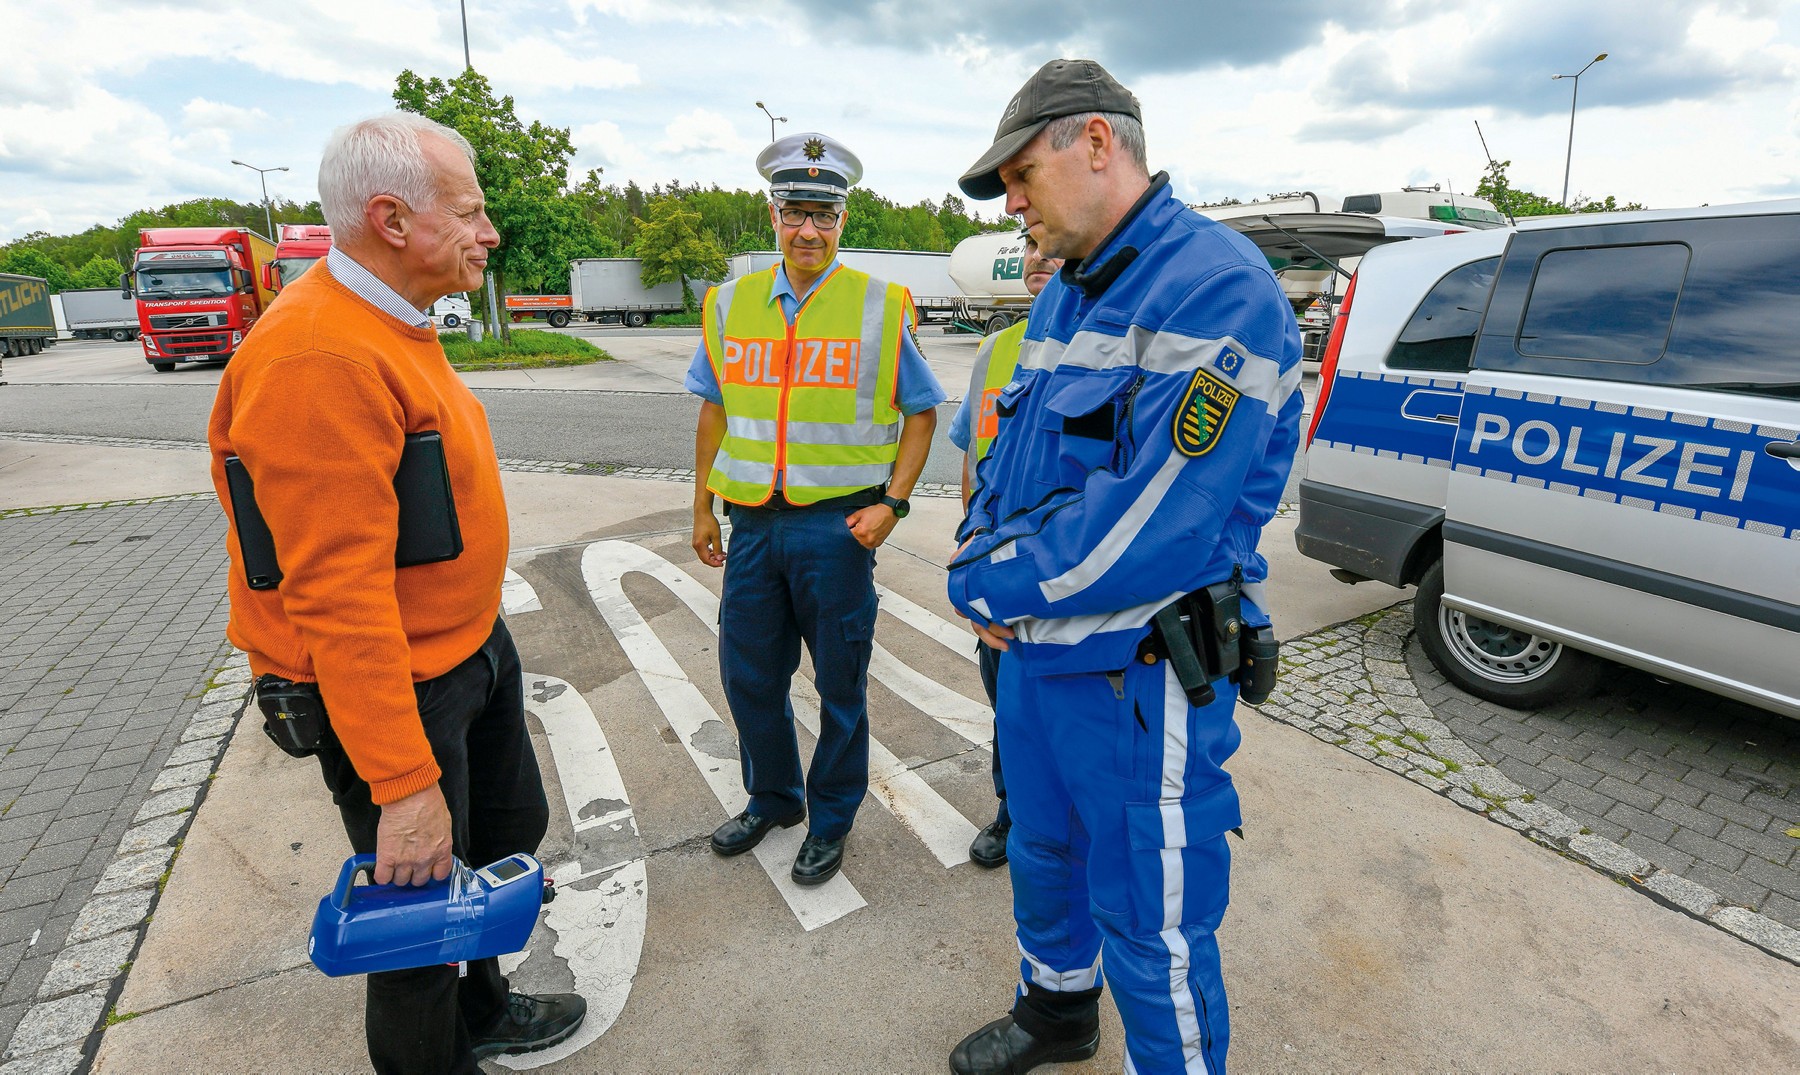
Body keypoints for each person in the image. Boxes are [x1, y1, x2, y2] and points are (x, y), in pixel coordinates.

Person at [945, 60, 1303, 1074]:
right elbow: (1009, 464)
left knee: (1151, 918)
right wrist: (978, 547)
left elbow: (1156, 526)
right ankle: (1058, 1013)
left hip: (1137, 675)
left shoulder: (1216, 288)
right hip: (1038, 659)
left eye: (1020, 174)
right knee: (1043, 853)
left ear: (1096, 143)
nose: (1011, 204)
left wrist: (984, 581)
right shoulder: (1069, 291)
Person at [207, 112, 584, 1074]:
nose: (488, 233)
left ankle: (484, 1012)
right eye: (470, 212)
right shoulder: (318, 357)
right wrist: (404, 787)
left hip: (462, 651)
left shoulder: (386, 321)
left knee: (498, 842)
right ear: (392, 219)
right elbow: (338, 596)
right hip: (398, 688)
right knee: (418, 921)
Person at [687, 132, 944, 887]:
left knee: (840, 686)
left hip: (837, 529)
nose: (809, 231)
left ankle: (830, 819)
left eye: (823, 216)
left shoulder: (878, 305)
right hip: (752, 526)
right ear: (773, 215)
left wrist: (893, 504)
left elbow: (922, 411)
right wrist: (700, 506)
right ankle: (774, 798)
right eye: (795, 213)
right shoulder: (730, 304)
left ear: (842, 221)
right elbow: (713, 409)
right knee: (749, 677)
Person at [946, 230, 1063, 869]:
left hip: (1071, 570)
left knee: (1069, 705)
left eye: (1053, 243)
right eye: (1030, 246)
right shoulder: (996, 349)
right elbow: (972, 451)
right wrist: (972, 544)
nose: (1039, 257)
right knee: (1008, 703)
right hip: (1000, 566)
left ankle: (1065, 816)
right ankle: (1013, 809)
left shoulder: (1111, 344)